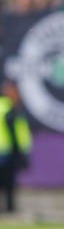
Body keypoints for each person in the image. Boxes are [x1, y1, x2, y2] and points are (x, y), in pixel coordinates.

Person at [0, 80, 32, 214]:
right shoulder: (7, 107)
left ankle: (9, 209)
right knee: (7, 182)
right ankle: (9, 210)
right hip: (4, 151)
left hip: (10, 150)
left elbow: (21, 131)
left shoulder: (14, 107)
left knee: (10, 183)